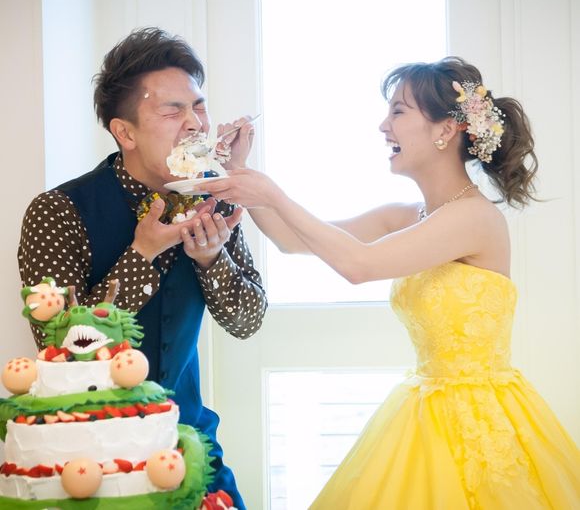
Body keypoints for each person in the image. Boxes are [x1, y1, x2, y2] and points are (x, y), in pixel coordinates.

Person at [198, 57, 580, 508]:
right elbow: (291, 240)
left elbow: (358, 265)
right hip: (426, 411)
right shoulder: (408, 216)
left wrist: (271, 193)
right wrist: (239, 171)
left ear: (446, 129)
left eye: (398, 111)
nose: (384, 126)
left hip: (481, 421)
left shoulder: (475, 218)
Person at [18, 27, 267, 508]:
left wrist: (211, 258)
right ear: (125, 132)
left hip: (188, 442)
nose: (195, 124)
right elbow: (57, 347)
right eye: (173, 111)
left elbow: (247, 320)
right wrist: (142, 253)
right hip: (89, 460)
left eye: (199, 107)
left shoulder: (211, 198)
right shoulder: (58, 211)